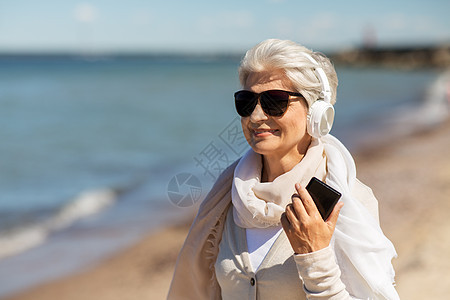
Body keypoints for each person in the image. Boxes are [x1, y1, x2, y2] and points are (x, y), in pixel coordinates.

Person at [168, 39, 399, 299]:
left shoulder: (350, 201)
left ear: (317, 112)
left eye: (275, 101)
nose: (255, 117)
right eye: (246, 102)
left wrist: (316, 257)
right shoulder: (227, 199)